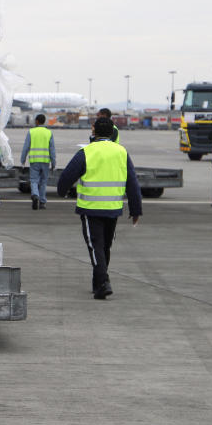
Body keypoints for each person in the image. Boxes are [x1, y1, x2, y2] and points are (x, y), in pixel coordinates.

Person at [57, 117, 142, 300]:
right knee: (105, 246)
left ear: (94, 131)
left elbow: (67, 176)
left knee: (95, 246)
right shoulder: (121, 152)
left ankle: (103, 281)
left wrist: (61, 191)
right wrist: (136, 210)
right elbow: (132, 182)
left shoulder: (86, 152)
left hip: (91, 208)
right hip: (113, 208)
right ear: (112, 132)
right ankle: (98, 283)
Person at [19, 113, 55, 210]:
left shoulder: (31, 132)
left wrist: (22, 160)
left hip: (34, 161)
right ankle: (42, 202)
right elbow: (52, 150)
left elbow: (26, 147)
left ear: (37, 121)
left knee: (34, 180)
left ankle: (35, 195)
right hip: (45, 161)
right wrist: (53, 163)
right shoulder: (49, 133)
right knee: (43, 182)